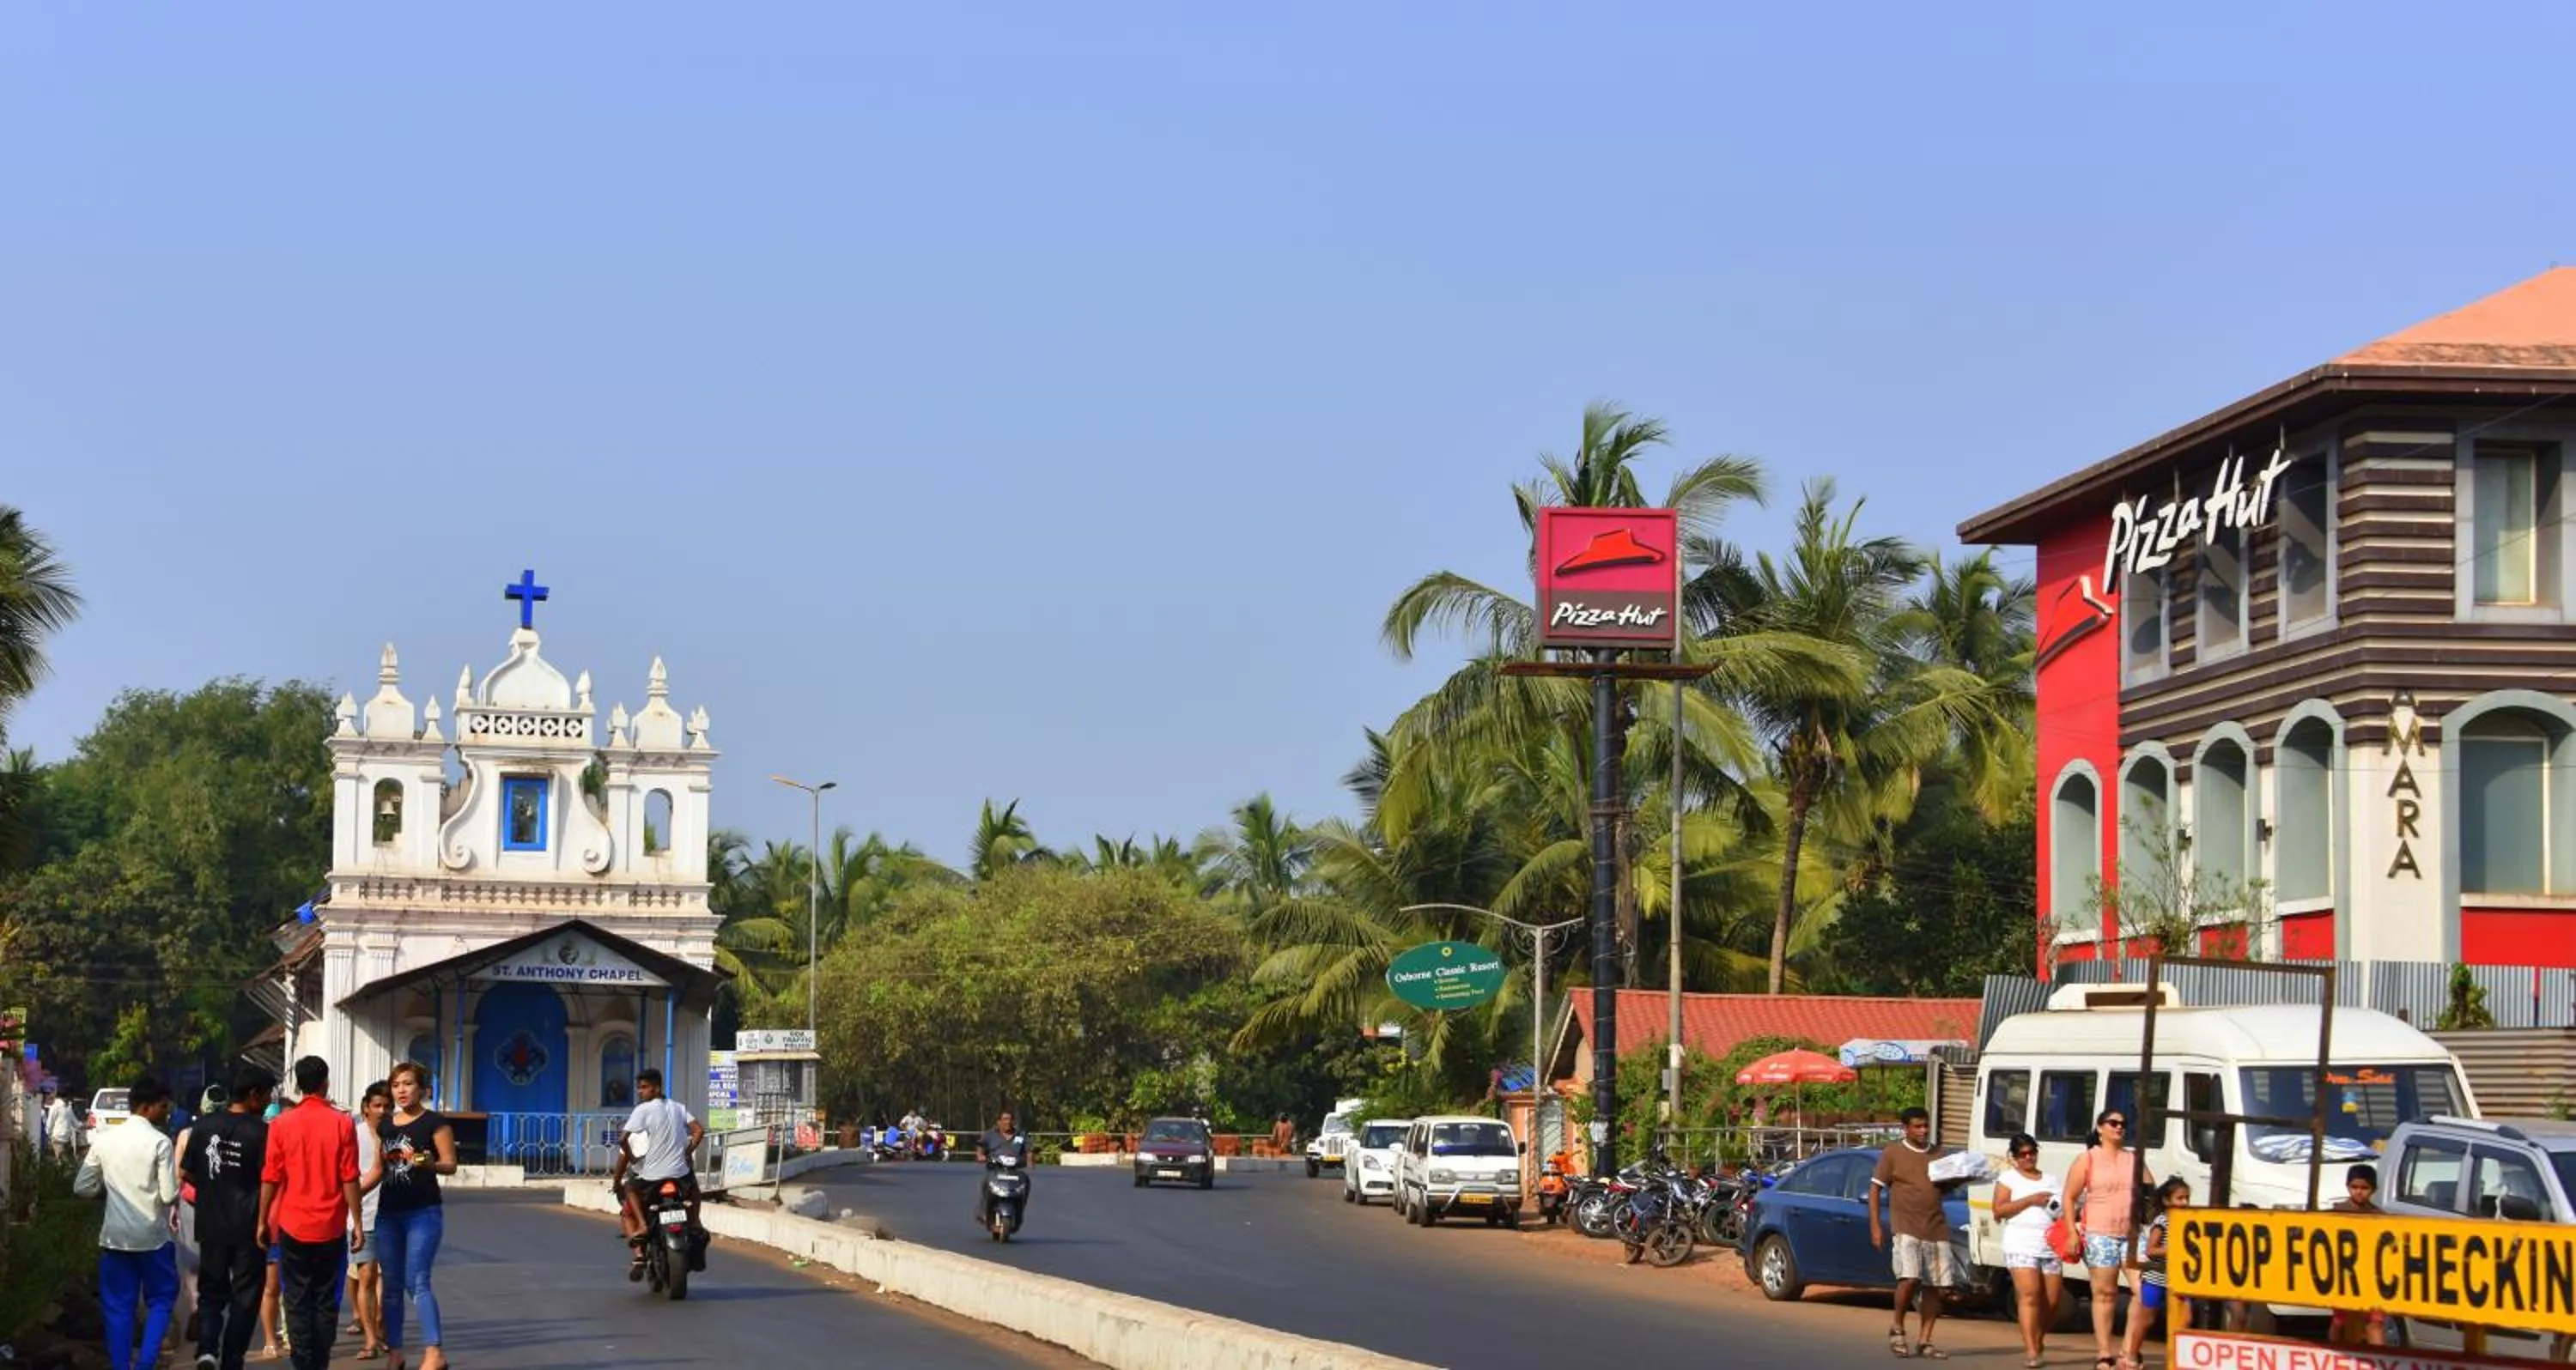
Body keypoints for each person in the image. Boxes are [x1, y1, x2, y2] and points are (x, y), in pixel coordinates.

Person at [257, 1057, 362, 1370]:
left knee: (297, 1297)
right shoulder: (342, 1123)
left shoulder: (280, 1125)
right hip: (330, 1226)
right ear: (325, 1083)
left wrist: (262, 1220)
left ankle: (302, 1361)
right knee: (326, 1299)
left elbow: (271, 1177)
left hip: (292, 1225)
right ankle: (320, 1361)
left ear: (299, 1086)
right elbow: (349, 1177)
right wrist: (356, 1221)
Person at [75, 1076, 180, 1370]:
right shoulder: (160, 1142)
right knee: (160, 1300)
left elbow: (82, 1187)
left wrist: (110, 1192)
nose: (166, 1111)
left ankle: (121, 1365)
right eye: (162, 1106)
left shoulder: (105, 1141)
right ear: (147, 1107)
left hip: (115, 1237)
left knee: (118, 1307)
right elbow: (170, 1193)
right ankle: (146, 1363)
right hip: (153, 1238)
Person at [185, 1066, 275, 1370]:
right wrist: (263, 1221)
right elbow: (269, 1181)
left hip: (210, 1223)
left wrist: (211, 1190)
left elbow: (186, 1173)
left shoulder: (203, 1126)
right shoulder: (262, 1133)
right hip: (249, 1226)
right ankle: (233, 1358)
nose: (267, 1102)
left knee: (211, 1291)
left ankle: (207, 1350)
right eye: (266, 1096)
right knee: (246, 1296)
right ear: (253, 1096)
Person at [377, 1059, 456, 1370]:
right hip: (388, 1214)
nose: (401, 1090)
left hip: (423, 1213)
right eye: (396, 1085)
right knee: (392, 1285)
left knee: (418, 1279)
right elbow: (379, 1168)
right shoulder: (385, 1124)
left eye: (408, 1084)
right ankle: (395, 1352)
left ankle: (435, 1353)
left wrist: (428, 1162)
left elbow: (450, 1163)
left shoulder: (435, 1123)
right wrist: (351, 1196)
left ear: (423, 1089)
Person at [2064, 1107, 2153, 1370]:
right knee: (2105, 1294)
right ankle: (2104, 1354)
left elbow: (2150, 1195)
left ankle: (2129, 1351)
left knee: (2145, 1293)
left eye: (2123, 1124)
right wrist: (2071, 1231)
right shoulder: (2087, 1159)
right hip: (2099, 1233)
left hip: (2132, 1235)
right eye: (2113, 1123)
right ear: (2100, 1128)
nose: (2119, 1127)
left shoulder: (2134, 1159)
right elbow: (2069, 1197)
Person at [1868, 1106, 1957, 1361]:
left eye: (1926, 1126)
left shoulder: (1938, 1153)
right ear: (1905, 1128)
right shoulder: (1893, 1153)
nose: (1923, 1131)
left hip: (1936, 1227)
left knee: (1936, 1286)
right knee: (1909, 1279)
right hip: (1906, 1227)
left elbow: (1945, 1187)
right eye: (1917, 1126)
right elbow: (1875, 1189)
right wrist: (1875, 1226)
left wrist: (1961, 1177)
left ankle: (1925, 1340)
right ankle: (1897, 1326)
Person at [610, 1067, 705, 1280]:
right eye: (639, 1088)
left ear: (657, 1088)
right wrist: (688, 1152)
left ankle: (643, 1225)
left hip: (652, 1177)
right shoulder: (679, 1108)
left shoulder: (643, 1110)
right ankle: (696, 1222)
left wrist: (634, 1158)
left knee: (630, 1187)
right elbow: (699, 1130)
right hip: (680, 1175)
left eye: (644, 1088)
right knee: (694, 1187)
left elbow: (622, 1139)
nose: (640, 1092)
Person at [1993, 1131, 2065, 1370]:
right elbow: (1999, 1210)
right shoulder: (2008, 1179)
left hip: (2050, 1244)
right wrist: (2031, 1199)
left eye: (2031, 1153)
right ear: (2014, 1157)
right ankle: (2032, 1350)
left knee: (2053, 1301)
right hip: (2020, 1242)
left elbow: (2063, 1210)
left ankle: (2038, 1338)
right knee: (2029, 1295)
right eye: (2022, 1154)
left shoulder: (2052, 1179)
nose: (2028, 1158)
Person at [345, 1082, 391, 1359]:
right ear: (366, 1108)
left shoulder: (398, 1137)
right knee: (365, 1275)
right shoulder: (353, 1135)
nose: (382, 1111)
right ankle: (370, 1339)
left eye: (387, 1106)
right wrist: (349, 1200)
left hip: (394, 1216)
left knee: (386, 1278)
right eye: (377, 1105)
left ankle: (380, 1326)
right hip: (360, 1215)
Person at [2125, 1177, 2190, 1364]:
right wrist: (2173, 1249)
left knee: (2185, 1319)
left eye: (2187, 1198)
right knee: (2146, 1320)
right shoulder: (2162, 1221)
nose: (2184, 1203)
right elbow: (2151, 1250)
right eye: (2180, 1198)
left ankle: (2177, 1360)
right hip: (2156, 1277)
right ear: (2167, 1201)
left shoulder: (2189, 1220)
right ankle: (2131, 1356)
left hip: (2181, 1278)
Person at [2326, 1165, 2388, 1347]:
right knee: (2339, 1322)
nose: (2359, 1192)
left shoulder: (2380, 1216)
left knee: (2374, 1323)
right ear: (2348, 1187)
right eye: (2355, 1187)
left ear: (2373, 1190)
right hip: (2344, 1279)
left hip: (2371, 1279)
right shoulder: (2337, 1212)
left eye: (2364, 1188)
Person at [975, 1110, 1030, 1228]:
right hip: (995, 1168)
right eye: (1004, 1119)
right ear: (999, 1122)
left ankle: (1019, 1212)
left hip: (1014, 1170)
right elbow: (981, 1145)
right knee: (987, 1184)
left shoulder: (1020, 1135)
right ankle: (984, 1211)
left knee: (1025, 1183)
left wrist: (1030, 1160)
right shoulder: (990, 1134)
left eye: (1010, 1119)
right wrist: (981, 1156)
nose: (1007, 1122)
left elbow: (1028, 1151)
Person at [45, 1086, 81, 1160]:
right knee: (61, 1164)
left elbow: (75, 1123)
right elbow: (50, 1122)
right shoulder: (56, 1106)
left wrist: (85, 1125)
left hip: (67, 1140)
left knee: (68, 1164)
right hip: (58, 1140)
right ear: (66, 1096)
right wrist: (48, 1136)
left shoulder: (68, 1108)